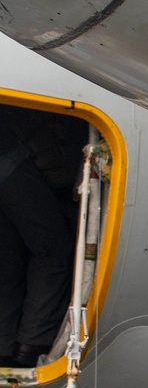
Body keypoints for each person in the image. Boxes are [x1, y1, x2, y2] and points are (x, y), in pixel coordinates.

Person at [0, 109, 75, 368]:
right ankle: (33, 344)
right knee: (52, 250)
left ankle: (5, 346)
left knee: (9, 260)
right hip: (11, 161)